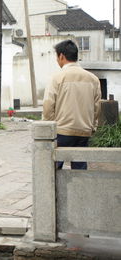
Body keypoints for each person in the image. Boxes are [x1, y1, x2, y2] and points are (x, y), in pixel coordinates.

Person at [43, 39, 101, 170]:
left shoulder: (57, 78)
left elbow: (48, 106)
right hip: (84, 131)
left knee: (54, 169)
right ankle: (79, 190)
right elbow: (97, 108)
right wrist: (92, 127)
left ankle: (56, 191)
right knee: (80, 167)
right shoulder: (93, 79)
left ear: (61, 56)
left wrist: (50, 126)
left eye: (57, 57)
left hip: (62, 131)